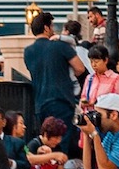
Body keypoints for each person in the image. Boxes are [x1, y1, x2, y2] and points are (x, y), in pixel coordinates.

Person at [24, 11, 86, 142]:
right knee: (63, 139)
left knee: (47, 140)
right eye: (52, 26)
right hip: (61, 100)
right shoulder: (60, 46)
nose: (53, 30)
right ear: (46, 28)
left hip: (40, 102)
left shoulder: (28, 51)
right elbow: (80, 68)